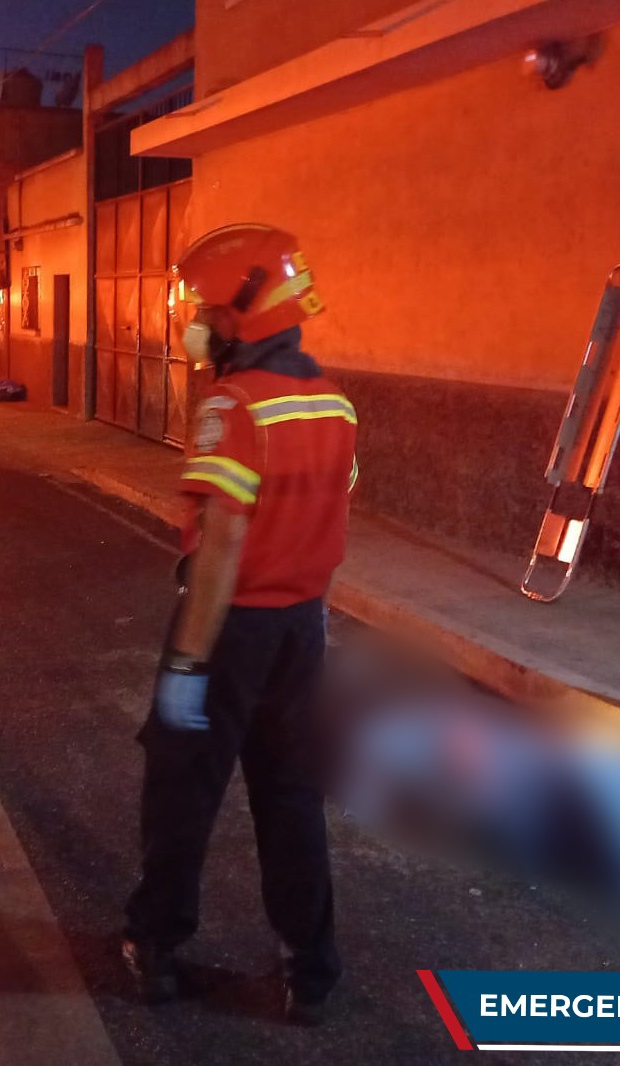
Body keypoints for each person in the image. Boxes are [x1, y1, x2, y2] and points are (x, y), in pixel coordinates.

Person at [122, 224, 359, 1026]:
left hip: (231, 631)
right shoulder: (332, 400)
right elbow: (329, 510)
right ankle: (311, 971)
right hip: (302, 632)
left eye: (204, 306)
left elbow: (222, 545)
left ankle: (155, 949)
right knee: (292, 797)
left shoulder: (233, 404)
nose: (195, 320)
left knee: (183, 791)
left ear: (242, 313)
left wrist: (187, 664)